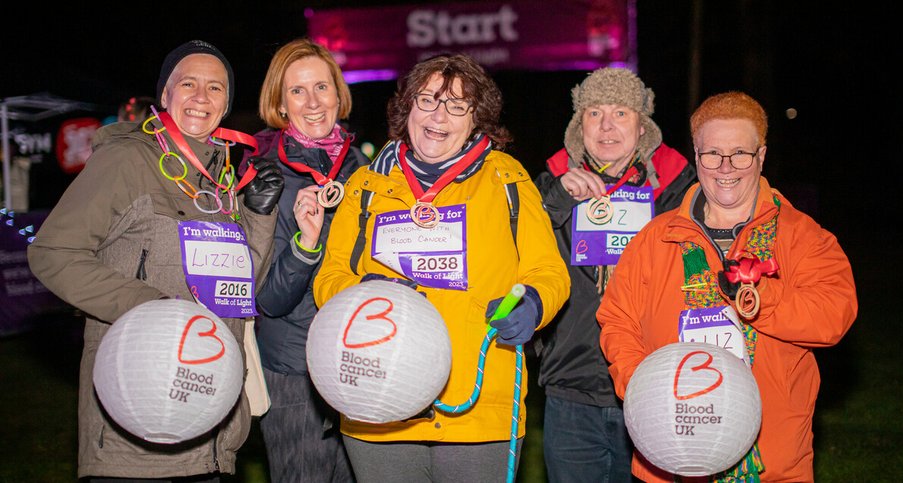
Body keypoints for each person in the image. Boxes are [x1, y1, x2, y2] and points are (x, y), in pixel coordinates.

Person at [27, 40, 283, 481]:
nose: (201, 97)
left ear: (225, 106)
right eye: (188, 83)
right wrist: (151, 309)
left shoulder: (221, 179)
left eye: (216, 88)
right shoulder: (127, 159)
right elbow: (53, 253)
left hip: (212, 427)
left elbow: (238, 292)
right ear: (165, 95)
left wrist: (258, 217)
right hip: (136, 432)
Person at [312, 53, 570, 482]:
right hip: (378, 401)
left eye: (457, 104)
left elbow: (548, 271)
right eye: (428, 99)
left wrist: (533, 304)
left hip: (478, 409)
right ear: (407, 107)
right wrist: (355, 294)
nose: (439, 115)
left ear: (475, 119)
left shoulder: (507, 180)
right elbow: (330, 275)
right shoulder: (366, 185)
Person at [596, 91, 857, 481]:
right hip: (671, 450)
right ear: (696, 155)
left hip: (772, 460)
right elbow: (618, 320)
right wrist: (643, 387)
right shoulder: (657, 237)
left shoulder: (803, 236)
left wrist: (758, 300)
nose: (725, 167)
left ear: (762, 156)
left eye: (740, 154)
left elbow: (834, 316)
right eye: (712, 154)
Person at [533, 67, 696, 483]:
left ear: (642, 126)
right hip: (571, 387)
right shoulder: (550, 186)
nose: (607, 126)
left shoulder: (680, 191)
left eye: (620, 113)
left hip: (653, 386)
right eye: (594, 113)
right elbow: (521, 261)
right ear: (578, 126)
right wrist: (555, 202)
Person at [247, 37, 368, 482]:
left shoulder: (364, 169)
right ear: (280, 104)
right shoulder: (262, 174)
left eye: (322, 87)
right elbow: (268, 301)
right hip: (297, 368)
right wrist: (306, 244)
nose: (313, 102)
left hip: (361, 356)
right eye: (297, 91)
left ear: (339, 94)